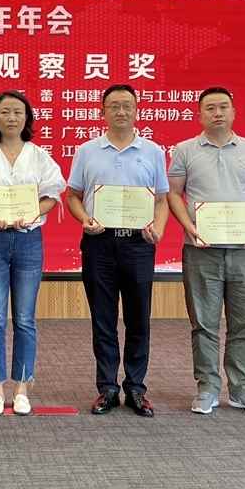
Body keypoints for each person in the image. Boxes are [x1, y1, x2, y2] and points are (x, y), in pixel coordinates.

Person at [167, 87, 245, 416]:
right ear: (200, 115)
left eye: (223, 107)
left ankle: (243, 388)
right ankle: (207, 387)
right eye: (210, 108)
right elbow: (173, 193)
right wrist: (189, 225)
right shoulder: (184, 150)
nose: (217, 113)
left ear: (233, 112)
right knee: (204, 323)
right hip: (201, 249)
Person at [0, 90, 66, 416]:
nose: (11, 117)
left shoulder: (39, 156)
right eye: (5, 112)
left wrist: (31, 213)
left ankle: (21, 387)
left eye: (18, 112)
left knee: (24, 318)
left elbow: (52, 194)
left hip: (28, 241)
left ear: (27, 118)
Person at [67, 85, 169, 417]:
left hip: (138, 244)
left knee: (139, 318)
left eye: (127, 105)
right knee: (103, 319)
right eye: (114, 106)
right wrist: (85, 218)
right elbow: (72, 196)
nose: (121, 111)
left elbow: (161, 200)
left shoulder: (153, 151)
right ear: (103, 112)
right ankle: (107, 388)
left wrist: (158, 228)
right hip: (99, 243)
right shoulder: (87, 151)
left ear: (137, 110)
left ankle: (136, 388)